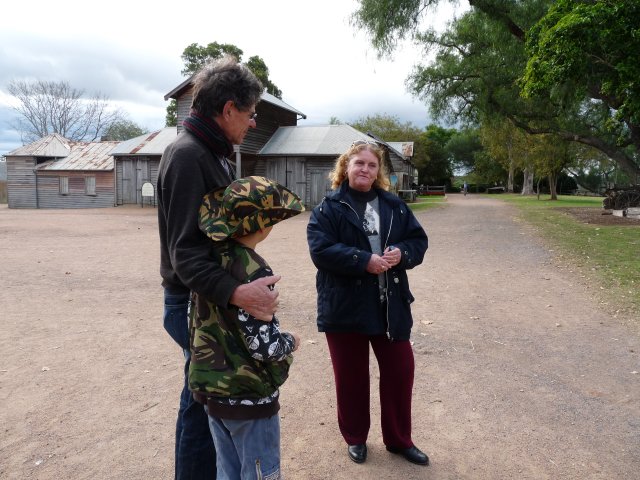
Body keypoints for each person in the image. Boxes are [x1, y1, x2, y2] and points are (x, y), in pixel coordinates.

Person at [157, 56, 278, 480]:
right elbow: (185, 255)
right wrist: (239, 292)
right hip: (194, 304)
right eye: (249, 114)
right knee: (201, 405)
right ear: (228, 109)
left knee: (210, 402)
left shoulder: (213, 152)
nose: (251, 123)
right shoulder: (188, 155)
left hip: (208, 300)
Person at [306, 140, 430, 466]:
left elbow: (418, 241)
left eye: (372, 165)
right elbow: (320, 250)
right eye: (358, 163)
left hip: (390, 305)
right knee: (351, 378)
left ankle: (399, 440)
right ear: (345, 167)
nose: (365, 169)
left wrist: (403, 253)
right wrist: (363, 260)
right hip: (345, 307)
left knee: (400, 371)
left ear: (379, 172)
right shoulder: (328, 209)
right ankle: (356, 438)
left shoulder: (394, 206)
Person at [190, 176, 303, 479]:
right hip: (249, 397)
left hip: (213, 392)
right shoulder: (256, 272)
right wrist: (290, 341)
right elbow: (263, 346)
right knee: (259, 472)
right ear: (264, 227)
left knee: (227, 471)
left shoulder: (207, 262)